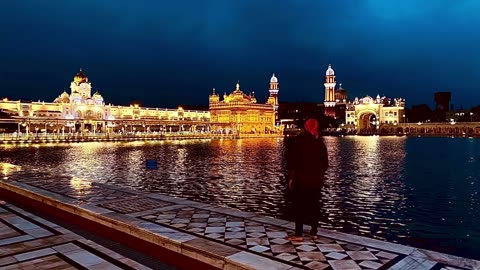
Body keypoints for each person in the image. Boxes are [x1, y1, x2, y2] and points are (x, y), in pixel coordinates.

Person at [287, 118, 329, 241]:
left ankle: (299, 234)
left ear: (305, 128)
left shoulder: (299, 142)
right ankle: (314, 232)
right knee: (315, 206)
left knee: (300, 206)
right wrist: (319, 174)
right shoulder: (320, 144)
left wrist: (291, 178)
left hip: (301, 180)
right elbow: (325, 164)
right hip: (316, 181)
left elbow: (293, 163)